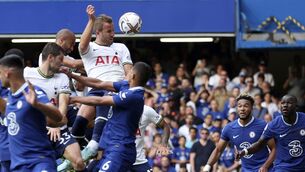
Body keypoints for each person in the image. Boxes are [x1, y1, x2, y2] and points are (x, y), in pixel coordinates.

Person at [70, 4, 133, 161]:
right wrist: (91, 20)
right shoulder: (90, 48)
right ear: (97, 32)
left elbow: (129, 71)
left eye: (113, 30)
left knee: (106, 98)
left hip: (115, 88)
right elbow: (82, 45)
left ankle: (95, 142)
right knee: (77, 127)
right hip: (95, 89)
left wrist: (124, 85)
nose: (113, 34)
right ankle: (83, 156)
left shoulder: (121, 47)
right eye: (109, 31)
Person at [66, 62, 151, 171]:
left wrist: (73, 99)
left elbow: (100, 100)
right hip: (108, 148)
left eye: (130, 71)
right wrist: (72, 75)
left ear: (133, 76)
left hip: (119, 150)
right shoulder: (126, 86)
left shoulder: (134, 96)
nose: (127, 72)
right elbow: (99, 84)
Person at [24, 42, 85, 171]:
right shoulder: (27, 74)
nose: (62, 63)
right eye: (60, 59)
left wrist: (56, 124)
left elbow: (63, 103)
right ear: (50, 57)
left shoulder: (62, 77)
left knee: (79, 162)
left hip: (59, 129)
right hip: (37, 131)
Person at [0, 54, 62, 171]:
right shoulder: (10, 97)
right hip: (18, 165)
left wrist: (38, 105)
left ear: (6, 73)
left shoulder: (33, 92)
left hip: (39, 161)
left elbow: (58, 116)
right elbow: (6, 111)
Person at [203, 93, 276, 172]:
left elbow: (274, 149)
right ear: (236, 108)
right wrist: (207, 167)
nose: (242, 109)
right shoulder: (229, 128)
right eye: (239, 106)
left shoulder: (262, 125)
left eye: (246, 106)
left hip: (266, 169)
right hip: (245, 170)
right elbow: (218, 150)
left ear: (252, 108)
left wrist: (265, 166)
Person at [236, 95, 305, 171]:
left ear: (296, 106)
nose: (285, 105)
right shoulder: (273, 125)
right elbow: (259, 144)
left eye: (289, 103)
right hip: (283, 167)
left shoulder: (303, 119)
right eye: (282, 103)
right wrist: (244, 151)